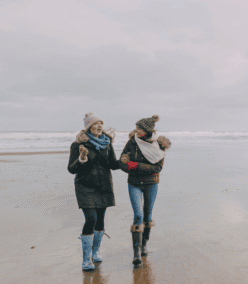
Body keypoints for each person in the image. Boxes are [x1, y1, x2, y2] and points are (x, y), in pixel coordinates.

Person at [67, 113, 120, 271]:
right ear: (89, 127)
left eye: (101, 124)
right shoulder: (78, 145)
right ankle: (86, 259)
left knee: (100, 220)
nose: (100, 126)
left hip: (103, 186)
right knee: (91, 219)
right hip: (85, 186)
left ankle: (95, 251)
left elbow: (112, 163)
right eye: (96, 124)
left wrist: (125, 161)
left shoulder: (107, 143)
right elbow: (71, 168)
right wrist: (82, 159)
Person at [119, 115, 171, 266]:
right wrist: (127, 166)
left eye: (139, 128)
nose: (136, 130)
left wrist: (136, 166)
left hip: (151, 184)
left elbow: (157, 168)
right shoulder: (132, 142)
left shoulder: (159, 145)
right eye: (136, 127)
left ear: (147, 131)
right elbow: (122, 162)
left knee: (147, 215)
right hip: (134, 183)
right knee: (138, 215)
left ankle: (144, 245)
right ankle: (136, 253)